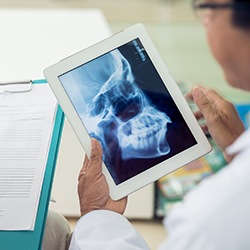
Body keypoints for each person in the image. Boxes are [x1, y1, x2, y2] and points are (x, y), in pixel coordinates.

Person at [47, 0, 250, 249]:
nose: (205, 19)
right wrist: (238, 154)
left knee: (52, 228)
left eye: (207, 8)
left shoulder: (208, 221)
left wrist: (96, 214)